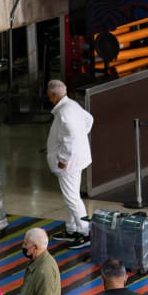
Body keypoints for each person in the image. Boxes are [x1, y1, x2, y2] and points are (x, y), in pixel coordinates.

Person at [46, 80, 94, 250]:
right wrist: (82, 136)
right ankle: (72, 229)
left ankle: (84, 232)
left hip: (70, 163)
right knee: (72, 195)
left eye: (49, 96)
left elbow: (70, 139)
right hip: (78, 159)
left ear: (54, 96)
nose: (49, 99)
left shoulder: (64, 113)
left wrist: (64, 160)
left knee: (72, 198)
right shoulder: (72, 105)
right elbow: (89, 119)